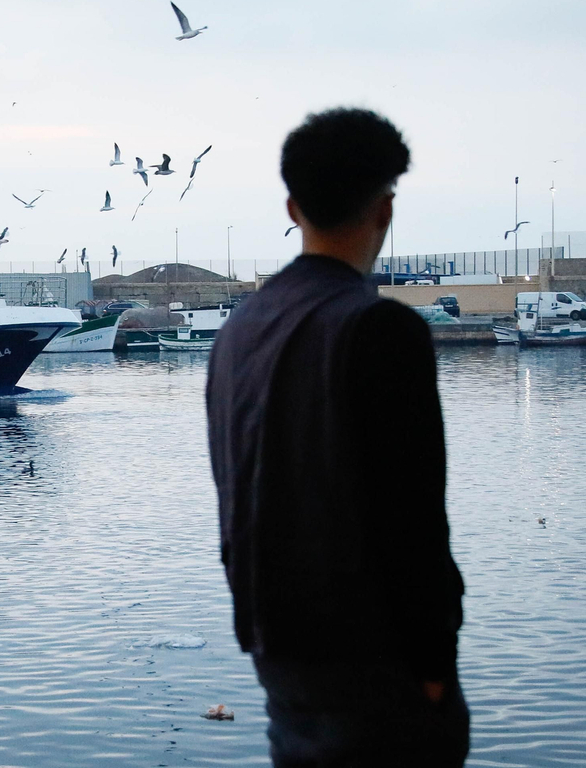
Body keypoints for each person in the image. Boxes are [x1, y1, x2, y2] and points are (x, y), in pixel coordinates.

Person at [205, 108, 467, 767]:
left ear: (293, 206)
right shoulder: (381, 329)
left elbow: (234, 496)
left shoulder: (239, 331)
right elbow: (413, 524)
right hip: (381, 672)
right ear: (385, 208)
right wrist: (434, 667)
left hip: (282, 662)